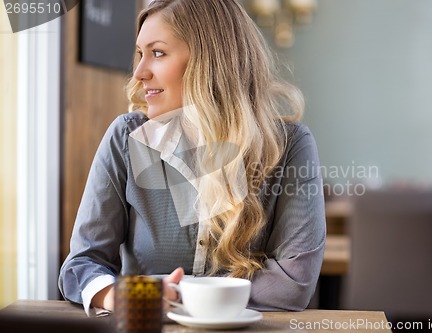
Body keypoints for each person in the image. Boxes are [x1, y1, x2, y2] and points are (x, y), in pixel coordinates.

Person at [58, 0, 325, 315]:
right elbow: (82, 265)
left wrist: (173, 295)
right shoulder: (126, 138)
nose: (140, 72)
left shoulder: (290, 145)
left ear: (210, 61)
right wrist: (120, 296)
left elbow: (293, 285)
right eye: (140, 54)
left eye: (157, 53)